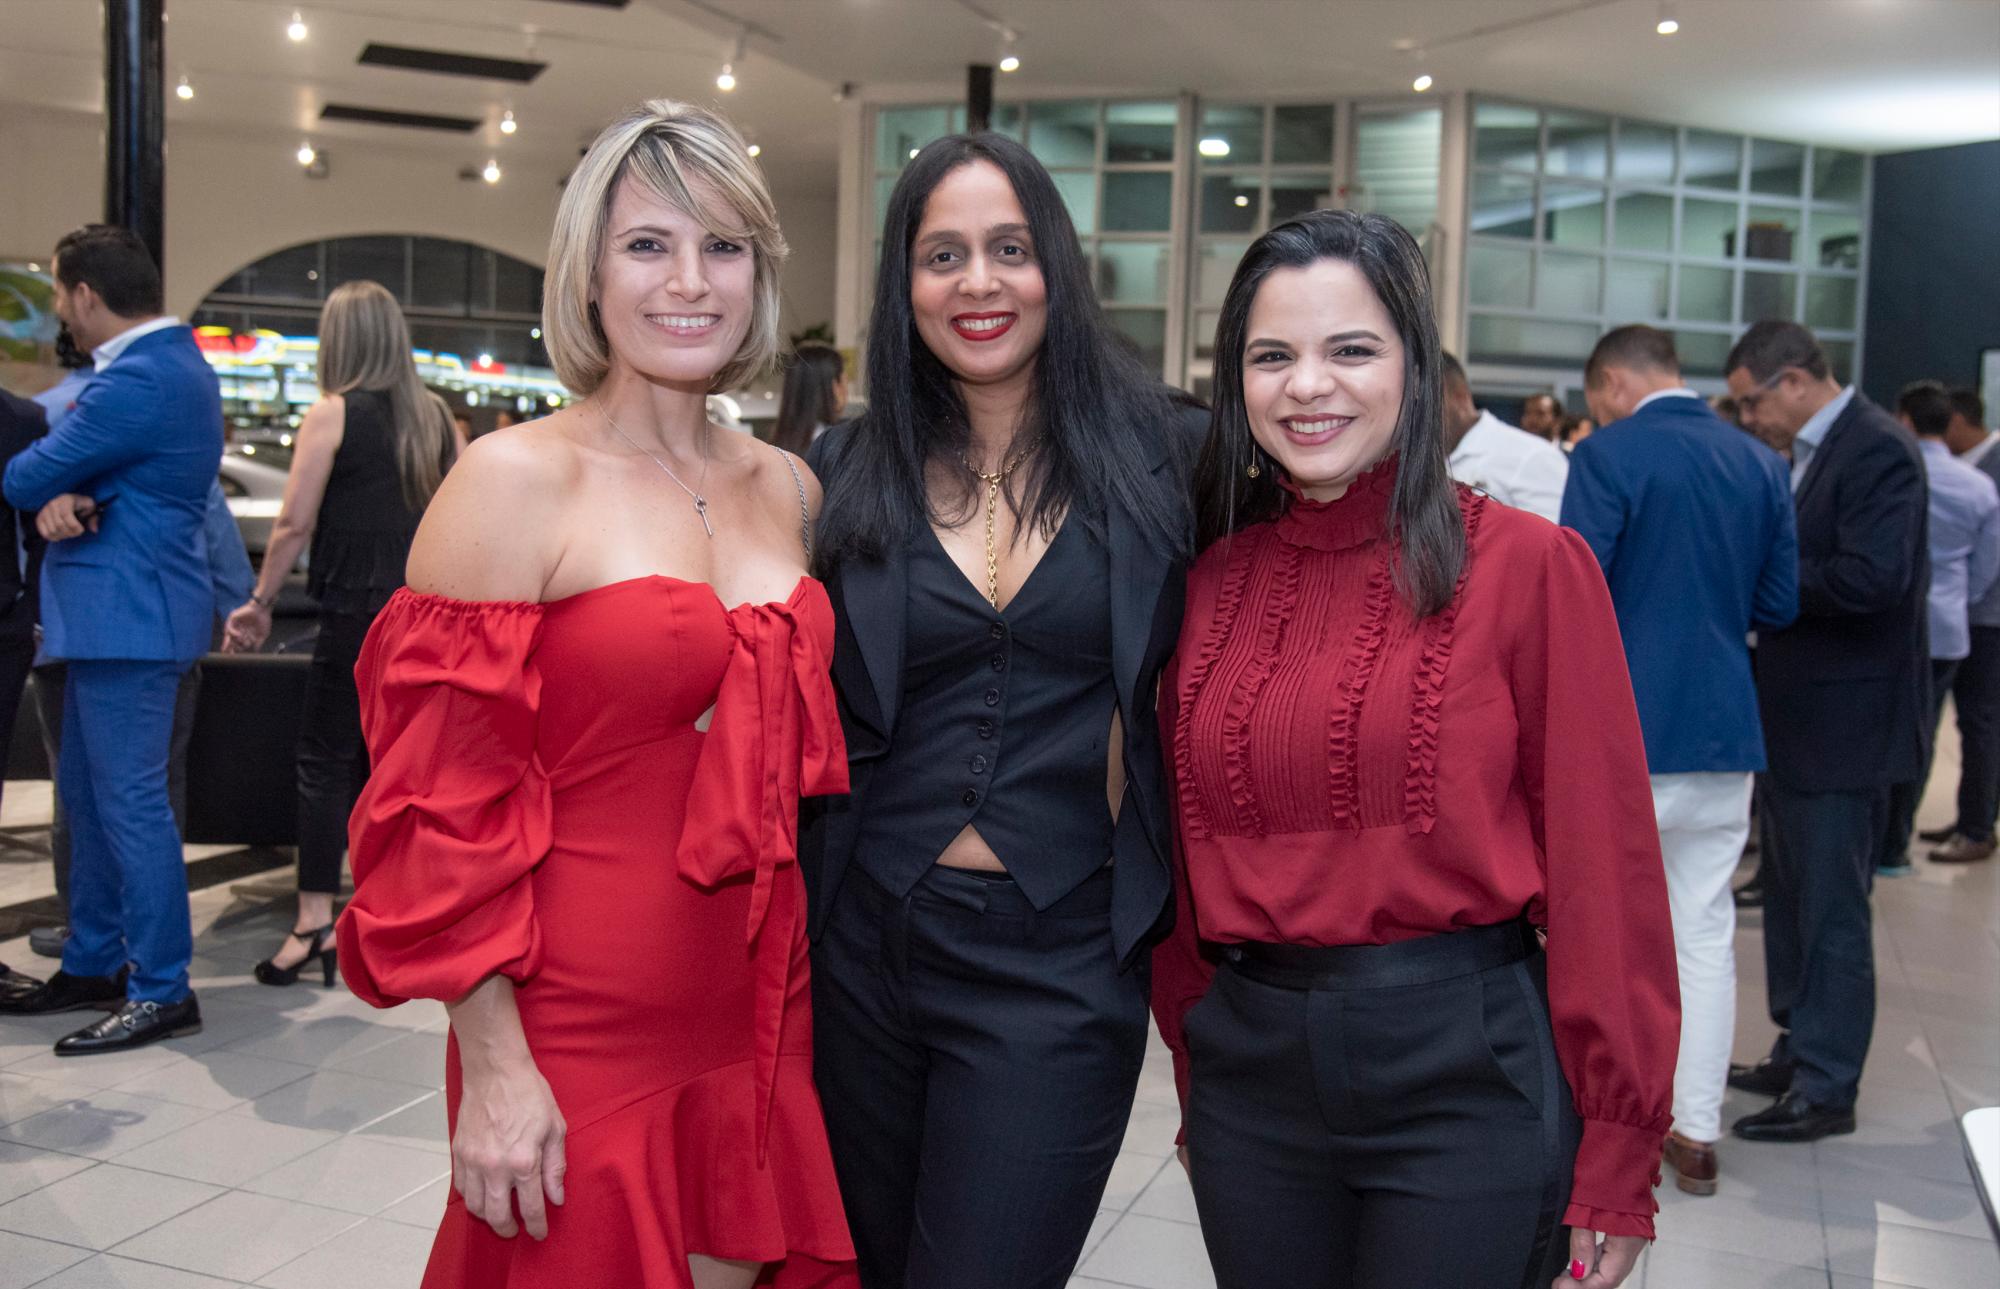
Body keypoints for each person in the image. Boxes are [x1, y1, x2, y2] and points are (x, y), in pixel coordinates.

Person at [335, 100, 856, 1287]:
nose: (689, 281)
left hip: (758, 997)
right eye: (646, 244)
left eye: (722, 247)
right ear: (587, 273)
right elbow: (433, 812)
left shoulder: (790, 487)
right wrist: (495, 1061)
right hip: (570, 1019)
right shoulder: (511, 481)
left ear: (758, 277)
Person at [1153, 210, 1676, 1289]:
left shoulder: (1532, 567)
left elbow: (1603, 868)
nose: (1308, 385)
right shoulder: (1204, 584)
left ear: (1414, 364)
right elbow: (1175, 859)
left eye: (1349, 349)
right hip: (1250, 1076)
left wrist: (1619, 1144)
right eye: (1270, 356)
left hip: (1463, 1070)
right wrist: (1197, 1054)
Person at [805, 131, 1196, 1289]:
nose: (977, 281)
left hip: (1061, 957)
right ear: (903, 283)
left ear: (1054, 268)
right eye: (942, 255)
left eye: (1008, 249)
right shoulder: (841, 463)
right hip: (861, 947)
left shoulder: (1166, 453)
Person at [1561, 324, 1798, 1198]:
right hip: (1724, 730)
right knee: (1703, 930)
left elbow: (1573, 592)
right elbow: (1779, 601)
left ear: (1615, 382)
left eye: (1595, 397)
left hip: (1622, 729)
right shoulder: (1760, 461)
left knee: (1597, 928)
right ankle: (1695, 1132)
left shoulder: (1608, 455)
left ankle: (1603, 1120)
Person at [0, 225, 221, 1055]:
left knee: (130, 808)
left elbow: (23, 475)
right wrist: (71, 491)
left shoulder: (139, 378)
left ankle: (162, 987)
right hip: (114, 616)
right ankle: (94, 960)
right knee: (91, 804)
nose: (61, 311)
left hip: (132, 617)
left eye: (61, 295)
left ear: (86, 295)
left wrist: (58, 487)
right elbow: (62, 482)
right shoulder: (164, 369)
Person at [221, 280, 462, 986]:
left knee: (325, 761)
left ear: (340, 340)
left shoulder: (332, 414)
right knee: (407, 764)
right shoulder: (437, 418)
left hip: (355, 614)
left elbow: (294, 522)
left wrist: (260, 599)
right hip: (425, 615)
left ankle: (314, 920)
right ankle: (408, 911)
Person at [1725, 321, 1928, 1144]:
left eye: (1751, 402)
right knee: (1791, 895)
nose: (1748, 419)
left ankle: (1828, 1081)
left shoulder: (1876, 447)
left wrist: (1768, 586)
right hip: (1798, 719)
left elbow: (1875, 577)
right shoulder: (1817, 449)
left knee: (1833, 908)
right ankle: (1796, 1042)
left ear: (1796, 381)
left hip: (1846, 725)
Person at [1877, 381, 2000, 877]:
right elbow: (1988, 563)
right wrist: (1958, 597)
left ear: (1904, 420)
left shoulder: (1892, 472)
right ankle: (1900, 843)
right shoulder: (1976, 485)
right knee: (1935, 733)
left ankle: (1887, 838)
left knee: (1894, 731)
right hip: (1951, 624)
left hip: (1893, 623)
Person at [1927, 388, 2000, 863]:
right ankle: (1969, 815)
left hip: (1989, 617)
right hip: (1963, 613)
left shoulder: (1993, 464)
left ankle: (1978, 828)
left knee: (1981, 722)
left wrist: (1967, 596)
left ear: (1955, 421)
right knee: (1964, 721)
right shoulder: (1968, 466)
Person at [1440, 352, 1569, 523]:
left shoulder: (1533, 456)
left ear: (1461, 397)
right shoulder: (1417, 462)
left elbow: (1555, 545)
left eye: (1428, 401)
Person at [771, 343, 848, 455]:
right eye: (844, 382)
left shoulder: (777, 446)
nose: (846, 392)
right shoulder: (836, 447)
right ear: (834, 387)